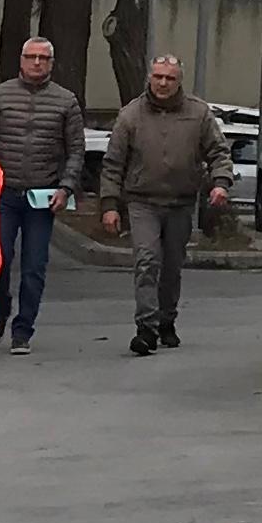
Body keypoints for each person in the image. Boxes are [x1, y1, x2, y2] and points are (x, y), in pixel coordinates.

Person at [99, 55, 228, 358]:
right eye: (157, 76)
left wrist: (221, 182)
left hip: (181, 203)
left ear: (179, 81)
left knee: (171, 267)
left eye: (169, 78)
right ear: (150, 78)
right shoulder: (131, 115)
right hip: (143, 201)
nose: (162, 83)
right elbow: (113, 164)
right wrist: (110, 204)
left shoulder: (198, 113)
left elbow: (218, 152)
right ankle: (146, 328)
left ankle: (166, 319)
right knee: (147, 261)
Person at [0, 34, 87, 352]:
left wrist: (66, 187)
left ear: (51, 63)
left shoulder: (66, 101)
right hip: (3, 194)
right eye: (31, 57)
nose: (37, 63)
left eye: (43, 58)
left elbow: (76, 150)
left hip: (43, 195)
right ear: (21, 60)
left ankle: (23, 330)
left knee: (34, 266)